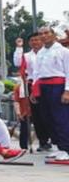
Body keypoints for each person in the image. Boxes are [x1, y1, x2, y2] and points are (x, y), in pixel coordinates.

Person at [31, 25, 69, 162]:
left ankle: (66, 148)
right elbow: (36, 72)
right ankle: (58, 146)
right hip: (43, 85)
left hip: (58, 85)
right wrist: (34, 90)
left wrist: (67, 91)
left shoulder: (63, 51)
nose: (44, 36)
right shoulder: (40, 52)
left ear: (53, 34)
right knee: (47, 118)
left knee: (60, 118)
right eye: (41, 33)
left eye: (46, 33)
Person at [14, 33, 52, 151]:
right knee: (36, 115)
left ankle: (52, 138)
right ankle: (43, 141)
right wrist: (19, 47)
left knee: (48, 113)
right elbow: (17, 63)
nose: (35, 42)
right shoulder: (27, 55)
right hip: (31, 85)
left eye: (37, 40)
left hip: (46, 83)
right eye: (32, 40)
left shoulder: (48, 53)